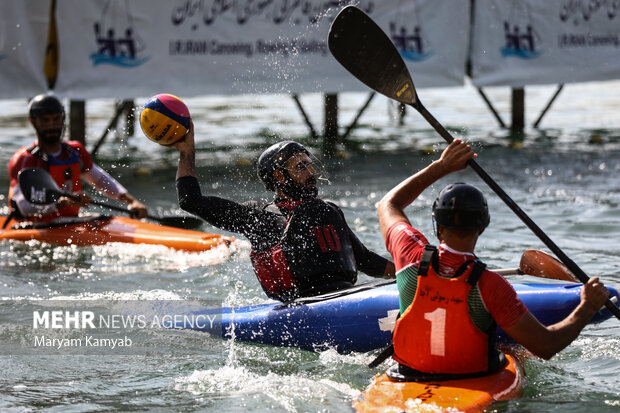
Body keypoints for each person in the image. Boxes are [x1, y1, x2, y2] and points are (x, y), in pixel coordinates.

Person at [376, 138, 609, 379]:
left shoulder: (409, 254)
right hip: (470, 383)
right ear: (482, 227)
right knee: (514, 352)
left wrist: (442, 165)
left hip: (407, 375)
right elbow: (546, 346)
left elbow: (389, 203)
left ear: (438, 226)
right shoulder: (491, 287)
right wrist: (587, 306)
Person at [173, 121, 395, 302]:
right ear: (279, 177)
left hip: (345, 296)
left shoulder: (329, 211)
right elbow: (190, 201)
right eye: (301, 167)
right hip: (302, 307)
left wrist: (414, 273)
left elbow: (365, 260)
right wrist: (186, 153)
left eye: (310, 165)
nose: (312, 173)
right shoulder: (259, 217)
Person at [8, 93, 147, 221]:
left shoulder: (75, 151)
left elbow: (100, 180)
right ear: (33, 122)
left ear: (63, 119)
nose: (51, 125)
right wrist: (62, 202)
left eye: (56, 119)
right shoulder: (24, 159)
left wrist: (131, 201)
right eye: (45, 120)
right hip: (34, 227)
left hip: (71, 220)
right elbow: (23, 207)